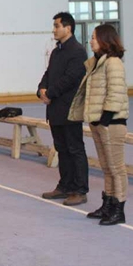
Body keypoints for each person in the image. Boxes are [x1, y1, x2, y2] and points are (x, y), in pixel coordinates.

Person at [68, 24, 128, 224]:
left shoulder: (113, 63)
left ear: (105, 40)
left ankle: (119, 209)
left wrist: (105, 120)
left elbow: (115, 93)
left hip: (111, 123)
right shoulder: (96, 63)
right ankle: (108, 204)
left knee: (116, 168)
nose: (90, 41)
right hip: (99, 122)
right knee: (107, 168)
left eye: (94, 37)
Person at [38, 12, 88, 206]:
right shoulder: (56, 51)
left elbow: (71, 78)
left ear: (68, 28)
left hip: (70, 109)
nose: (54, 30)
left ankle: (80, 190)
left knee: (75, 149)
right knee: (62, 149)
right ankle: (65, 185)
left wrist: (50, 93)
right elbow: (48, 73)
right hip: (55, 109)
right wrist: (41, 90)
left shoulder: (78, 51)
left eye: (57, 26)